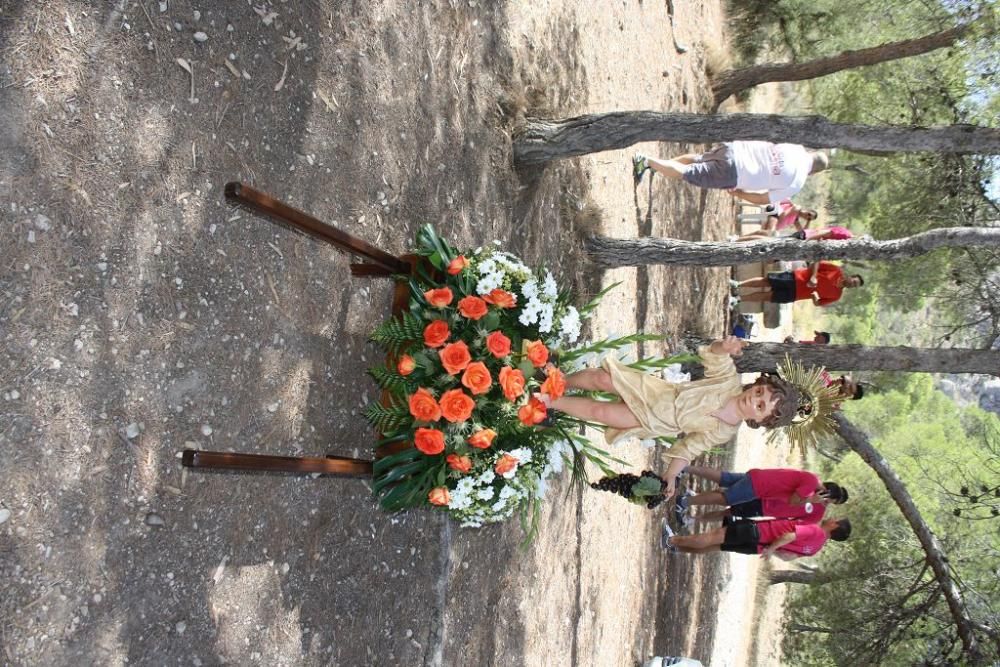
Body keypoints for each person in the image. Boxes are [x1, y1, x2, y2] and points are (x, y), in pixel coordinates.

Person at [535, 337, 801, 500]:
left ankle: (550, 402)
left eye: (760, 405)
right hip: (658, 392)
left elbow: (690, 448)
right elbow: (714, 357)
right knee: (603, 379)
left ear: (761, 420)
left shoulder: (725, 431)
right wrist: (724, 346)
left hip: (656, 421)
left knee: (602, 413)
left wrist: (671, 476)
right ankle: (558, 381)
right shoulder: (728, 383)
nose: (754, 399)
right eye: (758, 392)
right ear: (756, 385)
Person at [632, 141, 829, 205]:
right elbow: (764, 199)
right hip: (735, 174)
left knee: (698, 159)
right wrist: (740, 194)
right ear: (814, 173)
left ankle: (655, 165)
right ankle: (647, 161)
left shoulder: (796, 148)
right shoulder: (798, 182)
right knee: (689, 173)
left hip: (734, 149)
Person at [674, 466, 848, 526]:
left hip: (760, 481)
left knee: (724, 478)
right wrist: (810, 499)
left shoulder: (811, 480)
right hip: (760, 489)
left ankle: (686, 468)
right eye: (827, 499)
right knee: (724, 499)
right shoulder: (810, 484)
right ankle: (685, 501)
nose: (825, 502)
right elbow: (794, 501)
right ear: (825, 491)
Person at [661, 516, 851, 559]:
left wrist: (771, 547)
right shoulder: (816, 548)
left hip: (759, 533)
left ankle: (671, 540)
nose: (832, 517)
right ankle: (677, 548)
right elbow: (789, 556)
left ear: (835, 526)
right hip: (755, 547)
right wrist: (769, 551)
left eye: (836, 518)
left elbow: (789, 536)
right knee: (717, 546)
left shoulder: (816, 531)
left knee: (714, 537)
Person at [736, 261, 863, 306]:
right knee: (766, 282)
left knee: (767, 296)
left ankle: (738, 299)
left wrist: (814, 299)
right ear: (851, 276)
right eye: (854, 281)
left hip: (795, 295)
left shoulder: (836, 295)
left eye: (855, 285)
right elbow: (816, 262)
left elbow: (819, 303)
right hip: (795, 278)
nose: (853, 284)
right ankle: (737, 285)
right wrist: (813, 276)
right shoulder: (836, 270)